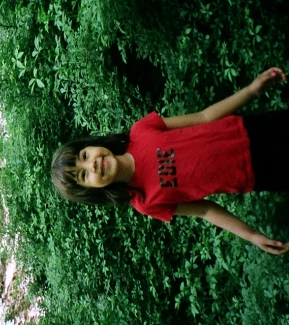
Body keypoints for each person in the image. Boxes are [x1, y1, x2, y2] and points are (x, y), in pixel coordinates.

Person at [51, 68, 289, 255]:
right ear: (92, 191)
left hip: (251, 131)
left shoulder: (141, 130)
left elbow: (203, 116)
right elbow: (206, 210)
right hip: (258, 174)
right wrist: (252, 236)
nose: (91, 165)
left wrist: (252, 90)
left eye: (84, 156)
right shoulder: (145, 202)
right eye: (84, 175)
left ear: (91, 145)